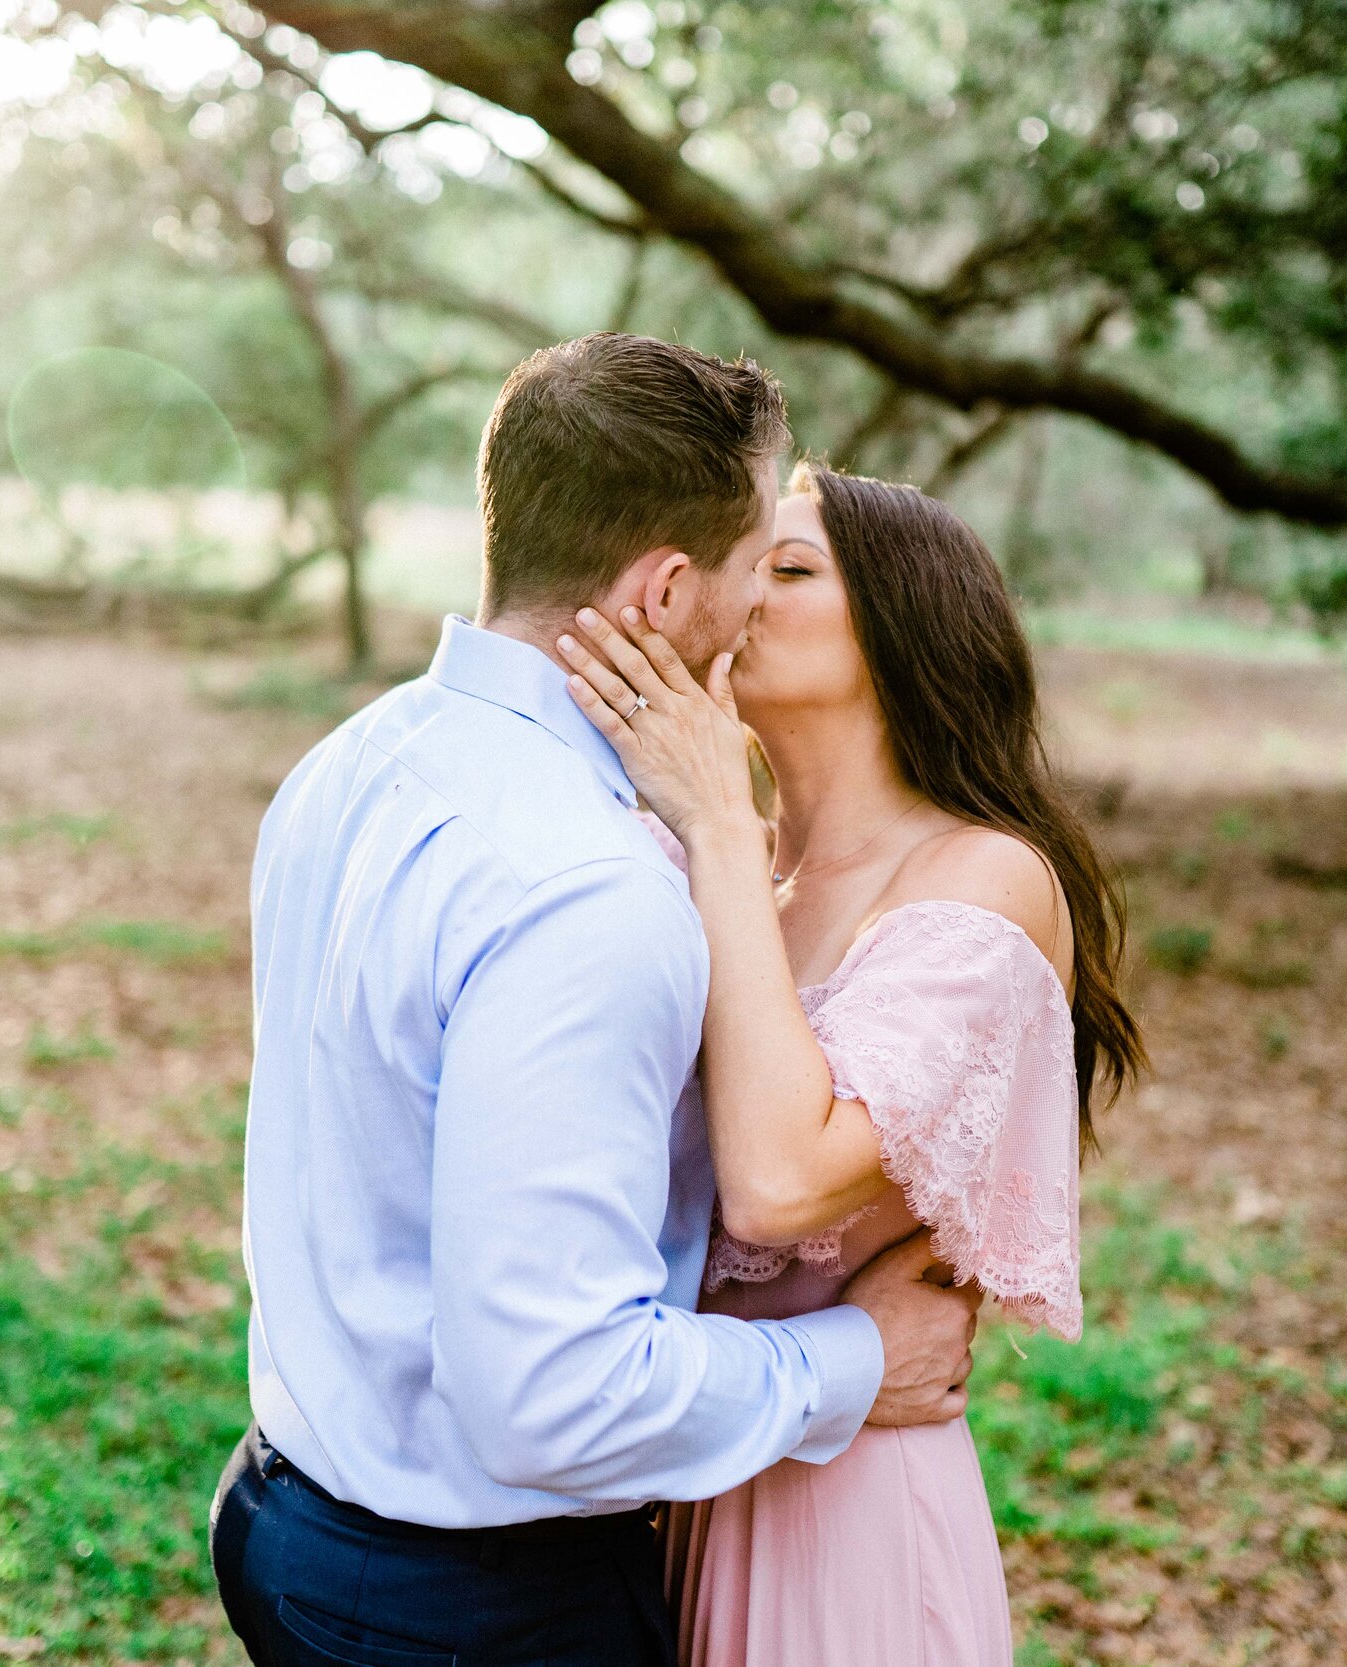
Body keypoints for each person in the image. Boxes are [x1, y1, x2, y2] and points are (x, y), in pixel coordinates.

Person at [212, 336, 985, 1667]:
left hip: (278, 1512)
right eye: (759, 563)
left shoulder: (350, 762)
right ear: (670, 585)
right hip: (475, 1606)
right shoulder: (591, 884)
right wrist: (858, 1360)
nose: (760, 603)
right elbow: (551, 1392)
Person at [554, 461, 1146, 1666]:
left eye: (788, 566)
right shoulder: (713, 866)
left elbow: (779, 1182)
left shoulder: (980, 878)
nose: (741, 591)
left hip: (851, 1508)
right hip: (692, 1462)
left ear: (904, 622)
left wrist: (715, 816)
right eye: (736, 561)